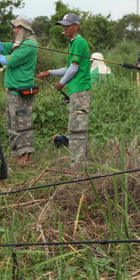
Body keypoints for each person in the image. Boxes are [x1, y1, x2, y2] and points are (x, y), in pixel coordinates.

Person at [0, 15, 38, 164]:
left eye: (18, 27)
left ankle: (25, 156)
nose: (15, 30)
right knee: (12, 123)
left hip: (21, 91)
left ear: (25, 29)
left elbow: (8, 60)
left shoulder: (29, 45)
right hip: (13, 91)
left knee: (22, 123)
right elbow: (1, 46)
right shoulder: (19, 43)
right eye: (14, 27)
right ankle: (17, 154)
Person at [37, 13, 92, 168]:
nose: (65, 28)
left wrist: (61, 83)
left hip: (80, 89)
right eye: (63, 25)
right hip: (76, 90)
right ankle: (77, 161)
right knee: (74, 125)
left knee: (78, 127)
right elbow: (69, 68)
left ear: (76, 26)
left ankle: (78, 165)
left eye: (68, 25)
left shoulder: (79, 42)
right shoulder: (74, 43)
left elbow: (74, 68)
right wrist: (50, 72)